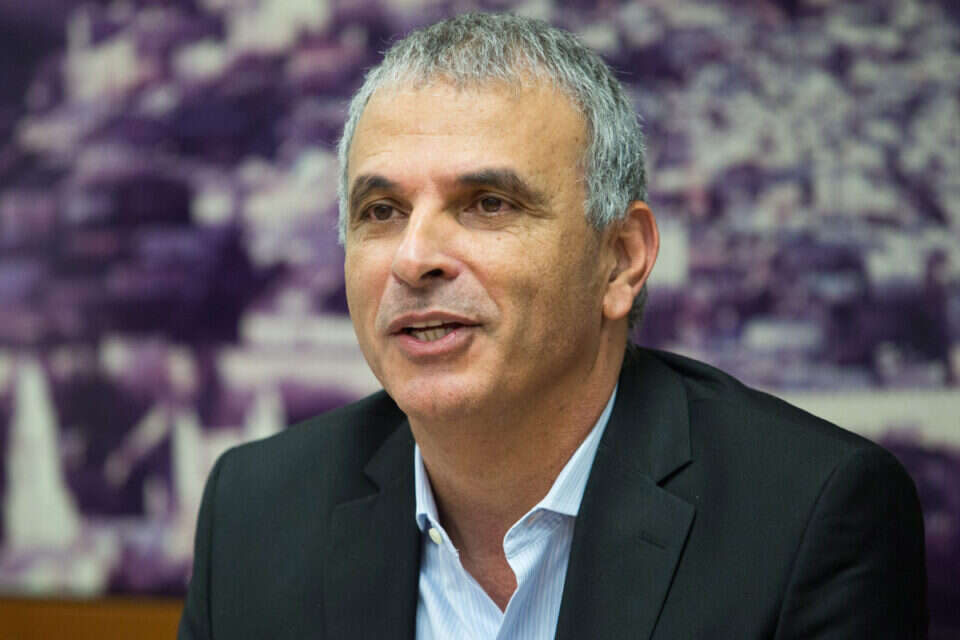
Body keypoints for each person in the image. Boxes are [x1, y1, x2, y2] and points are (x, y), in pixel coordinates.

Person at [178, 13, 927, 639]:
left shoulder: (809, 518)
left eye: (487, 204)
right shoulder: (255, 511)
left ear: (620, 260)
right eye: (382, 211)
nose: (414, 258)